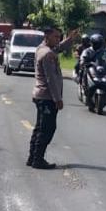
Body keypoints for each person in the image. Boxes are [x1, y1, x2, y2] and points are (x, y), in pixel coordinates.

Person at [27, 25, 75, 170]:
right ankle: (38, 159)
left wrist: (69, 40)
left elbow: (58, 48)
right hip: (47, 97)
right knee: (47, 128)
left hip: (41, 96)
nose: (58, 39)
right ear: (47, 37)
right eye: (55, 37)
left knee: (40, 127)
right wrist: (57, 99)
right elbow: (50, 79)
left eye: (59, 37)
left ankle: (33, 157)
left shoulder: (41, 48)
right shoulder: (47, 54)